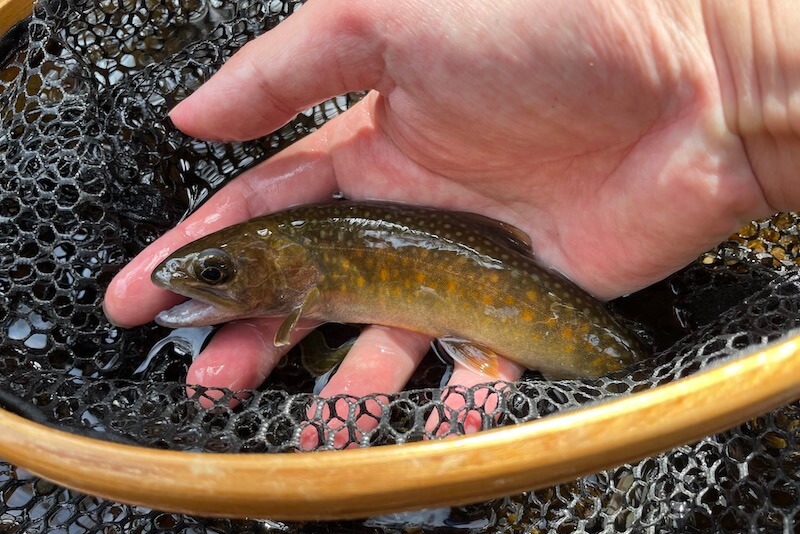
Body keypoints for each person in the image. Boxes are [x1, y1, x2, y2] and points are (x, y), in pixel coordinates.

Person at [103, 0, 797, 421]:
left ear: (292, 272)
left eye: (220, 273)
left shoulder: (306, 266)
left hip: (576, 323)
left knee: (622, 372)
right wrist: (726, 62)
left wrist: (718, 57)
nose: (200, 285)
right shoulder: (303, 258)